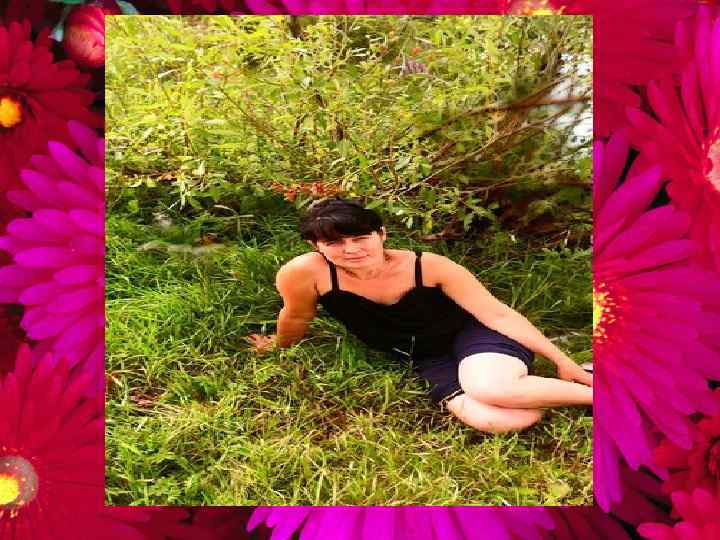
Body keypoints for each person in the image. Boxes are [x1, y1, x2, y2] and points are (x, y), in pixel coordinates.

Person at [248, 199, 592, 434]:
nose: (351, 250)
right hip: (423, 357)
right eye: (335, 243)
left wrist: (563, 361)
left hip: (475, 335)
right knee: (500, 420)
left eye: (361, 237)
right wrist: (279, 345)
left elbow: (498, 314)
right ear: (316, 246)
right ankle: (536, 387)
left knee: (488, 387)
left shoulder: (428, 266)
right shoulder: (304, 273)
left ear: (381, 234)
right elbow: (296, 316)